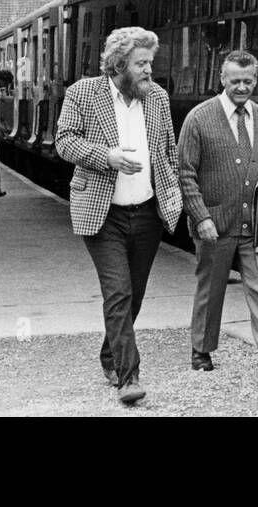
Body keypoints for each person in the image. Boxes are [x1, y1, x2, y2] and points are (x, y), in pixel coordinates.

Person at [55, 27, 182, 405]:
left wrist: (173, 196)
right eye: (141, 63)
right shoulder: (83, 94)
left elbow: (168, 152)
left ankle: (110, 355)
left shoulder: (157, 97)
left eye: (150, 63)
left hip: (146, 214)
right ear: (118, 64)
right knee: (119, 292)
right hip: (102, 213)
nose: (149, 71)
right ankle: (129, 378)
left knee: (136, 294)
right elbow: (64, 141)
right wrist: (105, 156)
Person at [178, 51, 258, 386]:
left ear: (256, 79)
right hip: (214, 224)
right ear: (222, 79)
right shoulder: (198, 118)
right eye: (235, 81)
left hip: (257, 225)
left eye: (248, 81)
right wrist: (200, 217)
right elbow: (185, 173)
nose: (242, 87)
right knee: (211, 289)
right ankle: (201, 350)